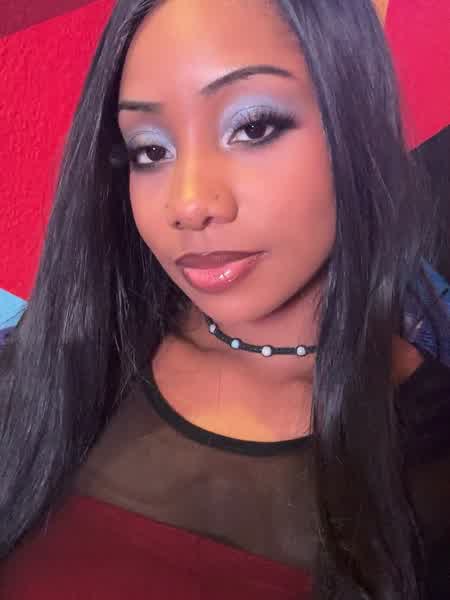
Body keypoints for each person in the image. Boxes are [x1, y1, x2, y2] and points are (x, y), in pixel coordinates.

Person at [0, 0, 449, 598]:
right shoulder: (48, 371)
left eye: (254, 126)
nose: (188, 204)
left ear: (357, 120)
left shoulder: (433, 452)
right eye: (150, 150)